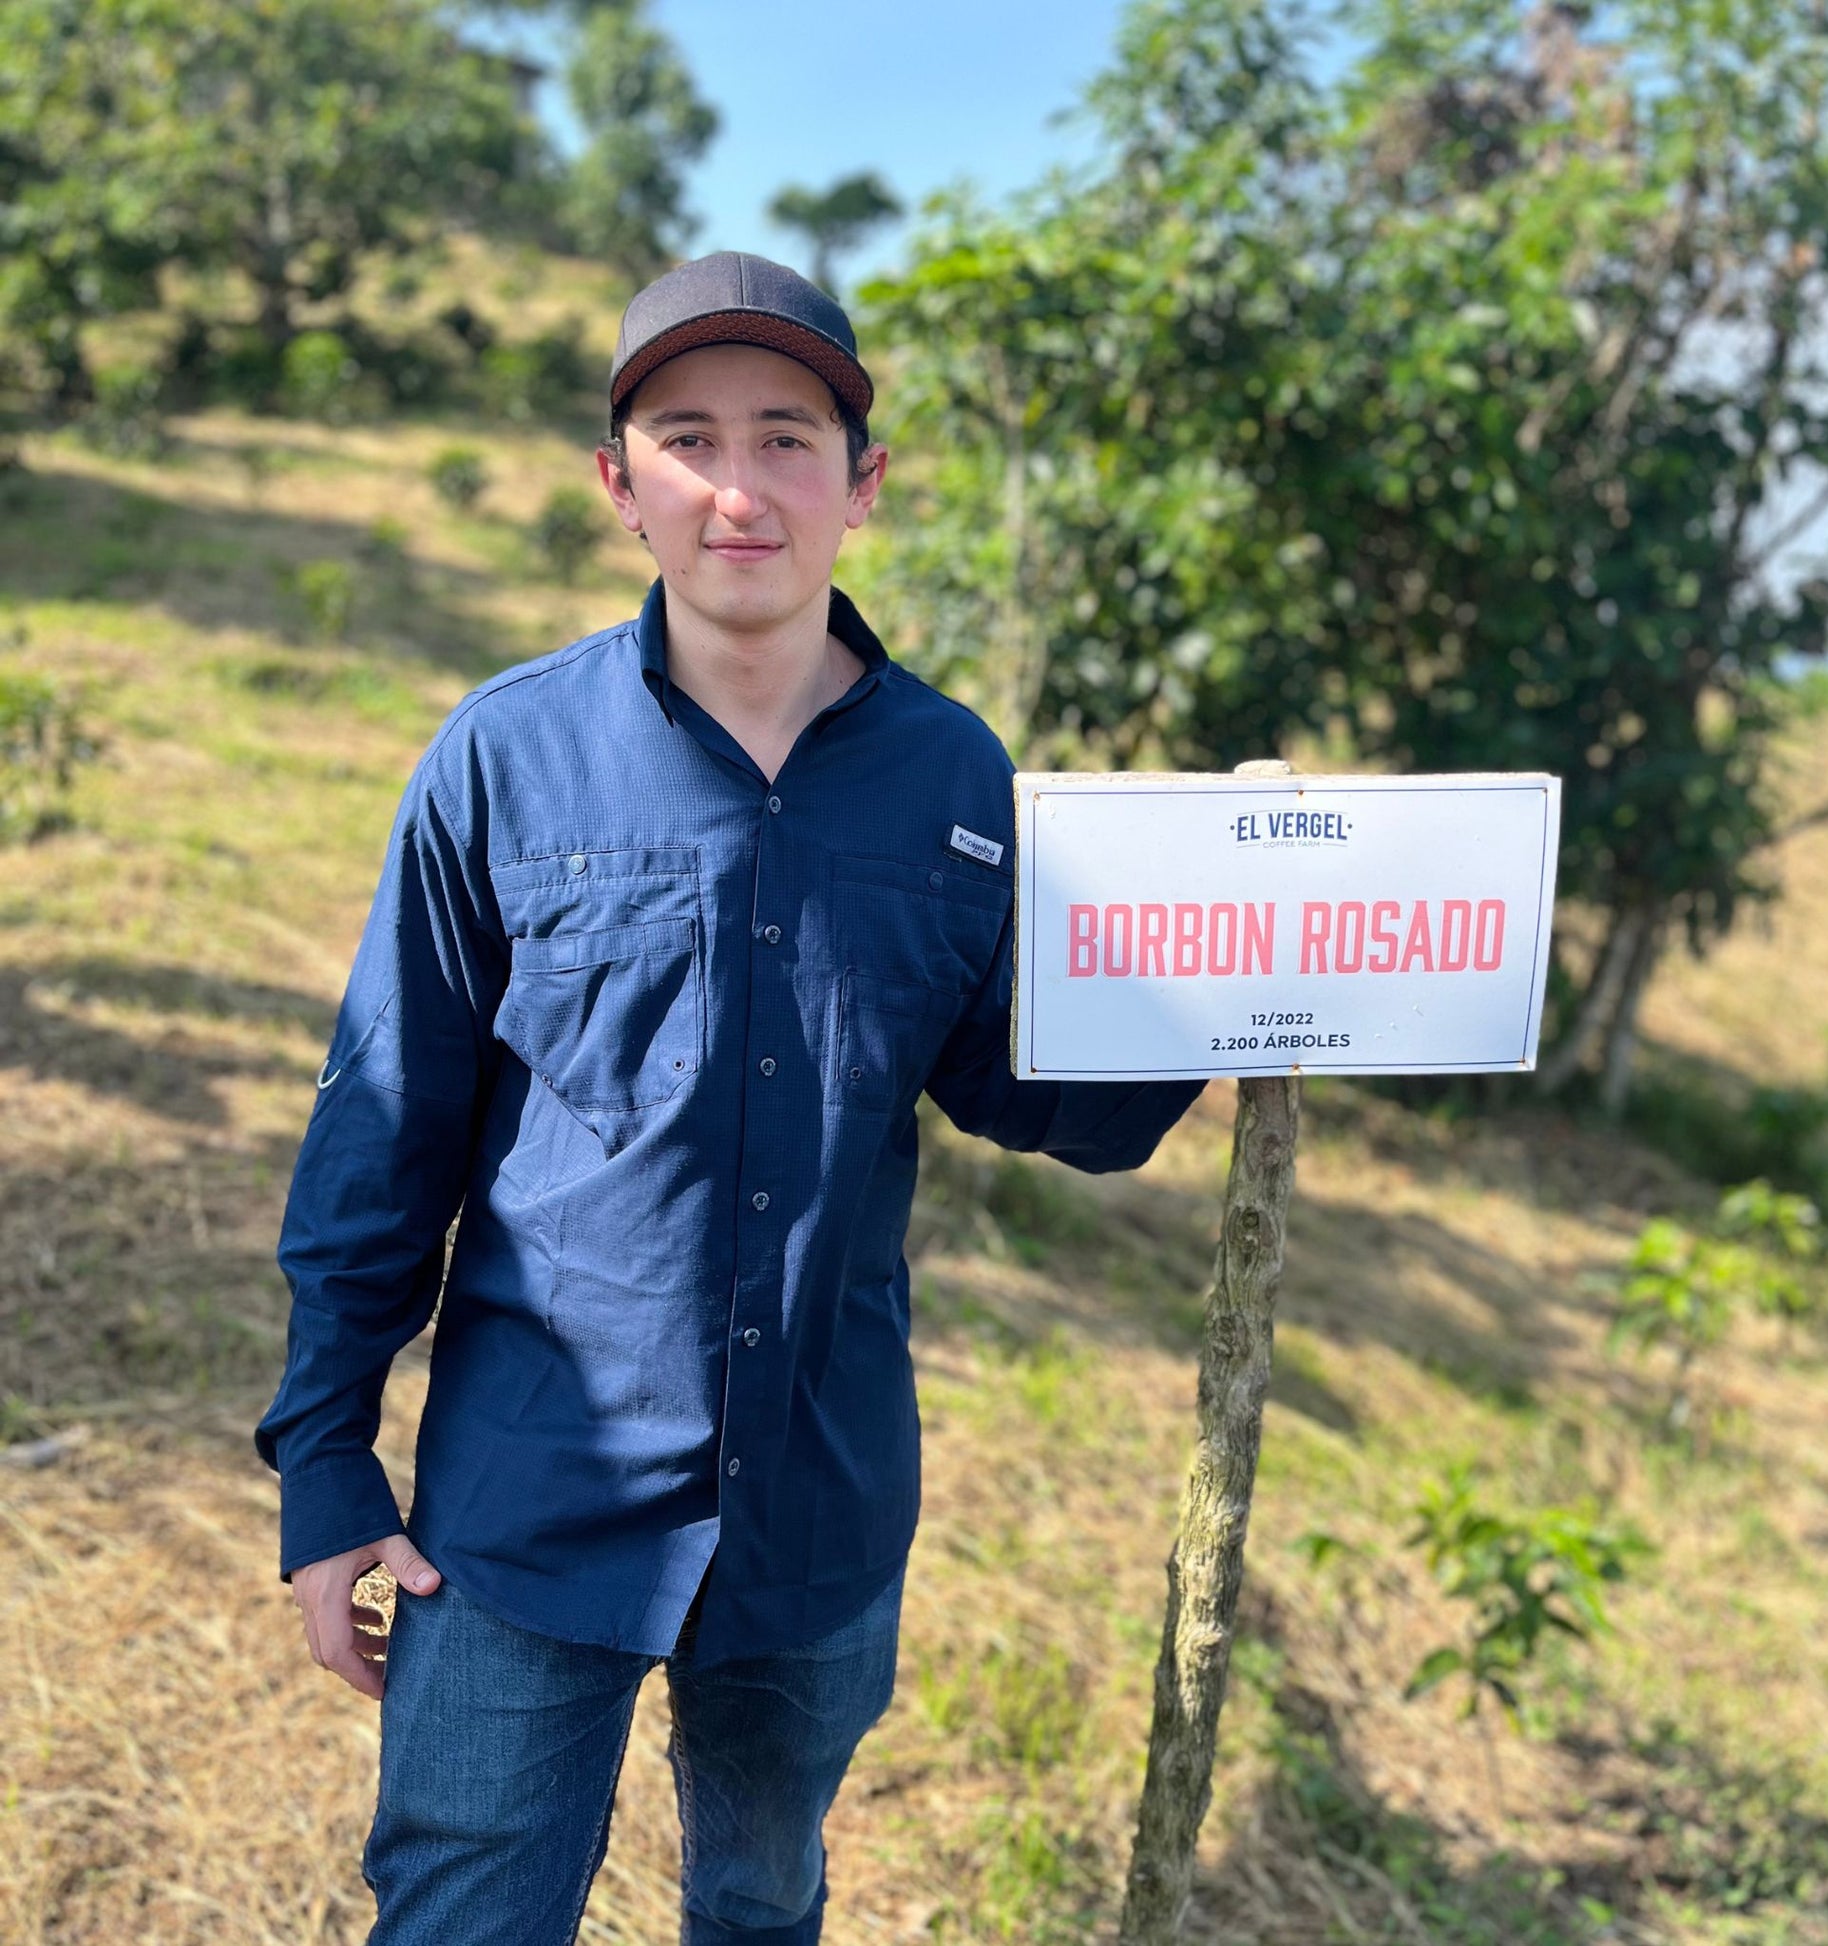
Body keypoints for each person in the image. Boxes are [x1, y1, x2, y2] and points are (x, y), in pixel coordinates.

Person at [255, 251, 1206, 1945]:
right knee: (462, 1912)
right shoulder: (503, 757)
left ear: (862, 484)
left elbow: (1022, 1087)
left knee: (762, 1903)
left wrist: (1242, 990)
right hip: (524, 1500)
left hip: (816, 1511)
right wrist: (327, 1459)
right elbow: (383, 1128)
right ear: (621, 487)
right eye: (687, 438)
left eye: (788, 437)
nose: (739, 486)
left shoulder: (954, 778)